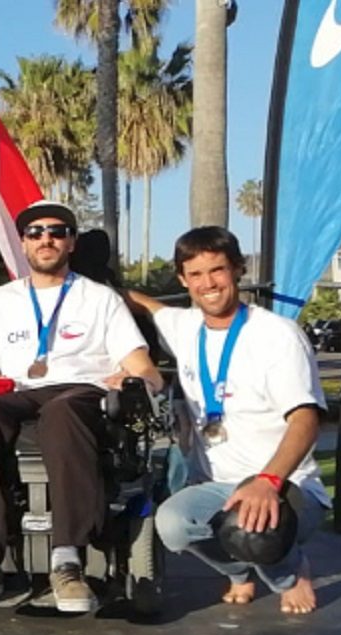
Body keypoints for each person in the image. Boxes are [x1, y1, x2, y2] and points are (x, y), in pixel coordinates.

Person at [0, 201, 162, 613]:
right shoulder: (0, 300)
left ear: (71, 242)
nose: (45, 239)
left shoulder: (99, 298)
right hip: (17, 389)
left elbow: (147, 371)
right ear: (24, 243)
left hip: (80, 391)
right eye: (35, 233)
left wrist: (133, 380)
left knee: (62, 410)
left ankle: (68, 559)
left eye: (56, 231)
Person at [128, 226, 325, 615]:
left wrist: (268, 482)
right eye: (196, 275)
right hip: (219, 486)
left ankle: (289, 572)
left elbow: (306, 419)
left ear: (238, 269)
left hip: (286, 485)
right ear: (183, 280)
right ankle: (239, 572)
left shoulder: (276, 335)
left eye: (217, 270)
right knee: (172, 525)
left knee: (252, 530)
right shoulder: (184, 327)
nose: (208, 284)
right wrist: (80, 282)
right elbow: (144, 305)